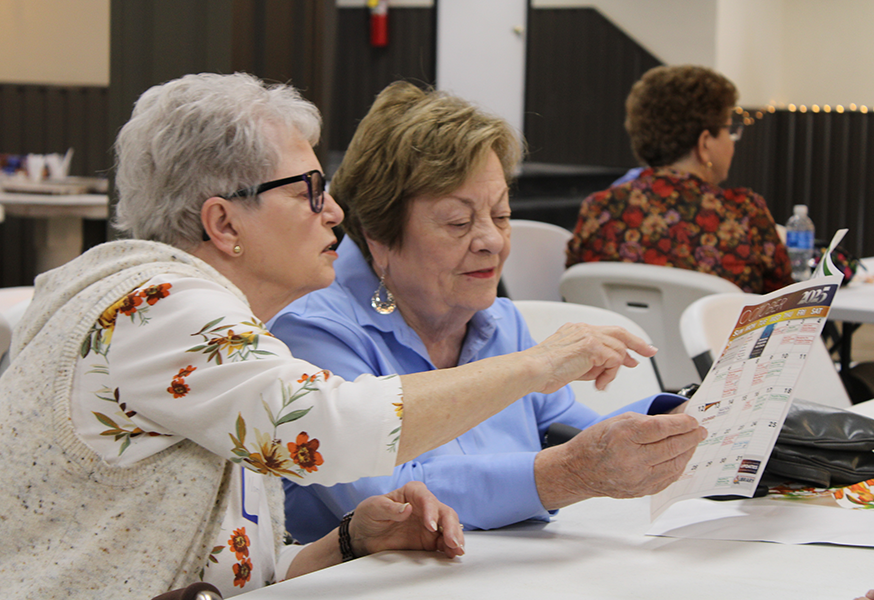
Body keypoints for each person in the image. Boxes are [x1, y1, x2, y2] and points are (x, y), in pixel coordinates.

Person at [0, 73, 697, 599]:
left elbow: (252, 570)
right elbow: (326, 428)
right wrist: (537, 365)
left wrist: (351, 538)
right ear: (223, 224)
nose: (333, 211)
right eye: (307, 190)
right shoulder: (158, 305)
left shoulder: (219, 333)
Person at [269, 81, 707, 543]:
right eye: (459, 222)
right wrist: (567, 474)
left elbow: (568, 431)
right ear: (378, 233)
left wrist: (684, 420)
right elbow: (392, 502)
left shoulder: (496, 319)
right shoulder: (313, 332)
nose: (493, 241)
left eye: (501, 216)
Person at [565, 65, 793, 294]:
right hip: (716, 331)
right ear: (705, 143)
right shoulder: (745, 214)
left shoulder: (599, 209)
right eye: (728, 129)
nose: (732, 141)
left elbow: (575, 293)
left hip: (624, 330)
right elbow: (784, 303)